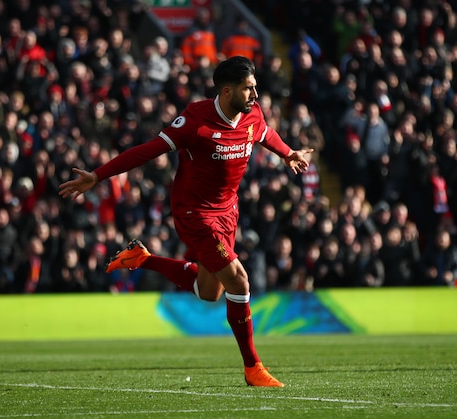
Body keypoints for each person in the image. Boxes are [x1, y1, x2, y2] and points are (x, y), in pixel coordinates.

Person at [59, 56, 314, 386]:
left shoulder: (252, 114)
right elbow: (149, 149)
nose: (255, 94)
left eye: (255, 87)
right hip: (195, 212)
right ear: (226, 91)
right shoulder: (195, 120)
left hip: (228, 212)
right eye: (248, 88)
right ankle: (253, 368)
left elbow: (265, 134)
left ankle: (143, 259)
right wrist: (98, 174)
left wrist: (288, 153)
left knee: (210, 292)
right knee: (239, 281)